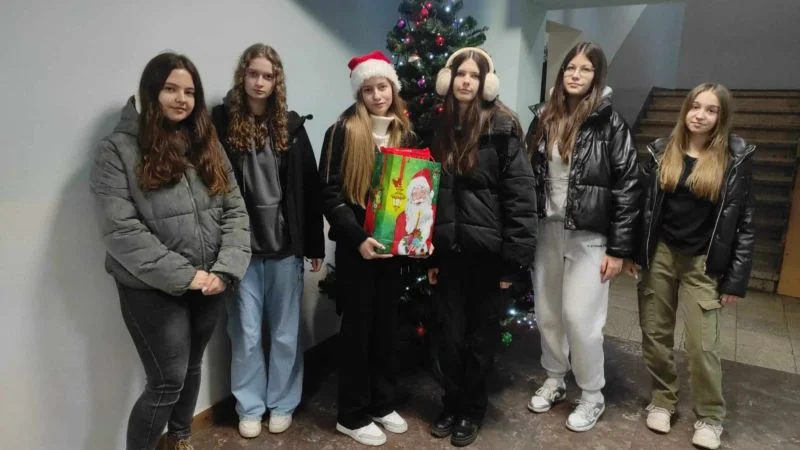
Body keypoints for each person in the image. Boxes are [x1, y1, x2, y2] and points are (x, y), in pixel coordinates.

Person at [90, 52, 251, 450]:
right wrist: (187, 276)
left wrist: (225, 269)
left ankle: (179, 439)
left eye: (190, 92)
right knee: (166, 381)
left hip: (210, 282)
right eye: (171, 89)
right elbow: (121, 231)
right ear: (150, 91)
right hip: (151, 288)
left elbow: (235, 209)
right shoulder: (117, 150)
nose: (182, 99)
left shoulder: (207, 142)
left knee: (192, 366)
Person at [627, 83, 755, 450]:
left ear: (721, 117)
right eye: (695, 106)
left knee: (703, 345)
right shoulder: (661, 151)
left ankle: (710, 416)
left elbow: (745, 222)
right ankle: (663, 400)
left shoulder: (735, 160)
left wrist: (735, 279)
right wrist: (636, 251)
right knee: (655, 332)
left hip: (704, 262)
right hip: (661, 255)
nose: (700, 115)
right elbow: (642, 206)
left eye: (711, 110)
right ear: (685, 109)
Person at [210, 43, 325, 439]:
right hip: (240, 252)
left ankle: (282, 403)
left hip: (284, 250)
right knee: (243, 334)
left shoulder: (291, 128)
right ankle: (249, 406)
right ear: (243, 76)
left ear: (277, 81)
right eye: (253, 74)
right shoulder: (221, 125)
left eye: (267, 76)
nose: (259, 82)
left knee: (284, 333)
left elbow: (309, 189)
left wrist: (315, 246)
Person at [525, 41, 640, 432]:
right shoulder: (544, 117)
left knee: (581, 318)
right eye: (570, 68)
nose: (575, 75)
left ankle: (592, 395)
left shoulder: (611, 123)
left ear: (597, 76)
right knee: (547, 314)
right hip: (547, 230)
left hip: (590, 236)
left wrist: (619, 250)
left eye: (585, 69)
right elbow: (528, 174)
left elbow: (627, 187)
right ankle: (555, 378)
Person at [426, 47, 537, 447]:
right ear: (449, 79)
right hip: (449, 256)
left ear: (486, 83)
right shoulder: (438, 128)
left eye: (475, 75)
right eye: (461, 74)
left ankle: (471, 411)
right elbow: (429, 195)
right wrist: (432, 255)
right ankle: (451, 403)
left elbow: (521, 198)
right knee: (449, 338)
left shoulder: (503, 128)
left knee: (479, 341)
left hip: (488, 259)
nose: (466, 81)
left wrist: (513, 264)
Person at [318, 50, 417, 446]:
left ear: (393, 88)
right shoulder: (342, 130)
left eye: (383, 87)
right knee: (358, 333)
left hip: (392, 252)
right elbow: (329, 194)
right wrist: (357, 238)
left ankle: (381, 402)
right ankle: (351, 414)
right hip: (357, 250)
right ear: (359, 93)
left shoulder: (404, 132)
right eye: (369, 89)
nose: (378, 95)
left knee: (386, 330)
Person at [392, 168, 435, 255]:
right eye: (415, 193)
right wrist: (407, 243)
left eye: (422, 192)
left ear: (428, 194)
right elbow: (396, 245)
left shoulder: (432, 211)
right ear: (411, 196)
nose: (419, 197)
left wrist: (426, 245)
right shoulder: (402, 217)